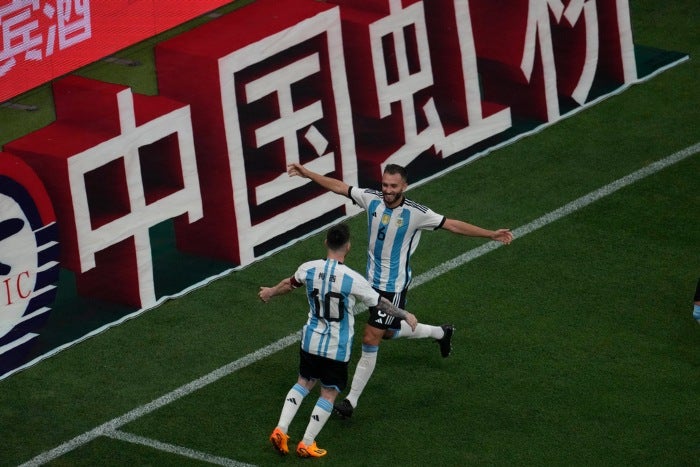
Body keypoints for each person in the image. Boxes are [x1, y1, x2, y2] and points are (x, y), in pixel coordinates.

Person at [287, 162, 513, 418]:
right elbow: (340, 187)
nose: (387, 190)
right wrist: (308, 174)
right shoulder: (371, 199)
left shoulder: (416, 213)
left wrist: (490, 235)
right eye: (384, 184)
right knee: (388, 333)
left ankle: (350, 402)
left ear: (404, 186)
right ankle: (441, 333)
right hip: (370, 283)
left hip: (392, 288)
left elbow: (453, 225)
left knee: (370, 338)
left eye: (393, 186)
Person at [259, 223, 418, 458]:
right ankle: (306, 443)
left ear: (326, 243)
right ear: (348, 247)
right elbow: (380, 303)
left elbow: (288, 284)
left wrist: (270, 292)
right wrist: (405, 314)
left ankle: (281, 429)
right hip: (336, 347)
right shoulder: (352, 279)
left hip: (310, 340)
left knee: (303, 383)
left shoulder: (309, 268)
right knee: (329, 393)